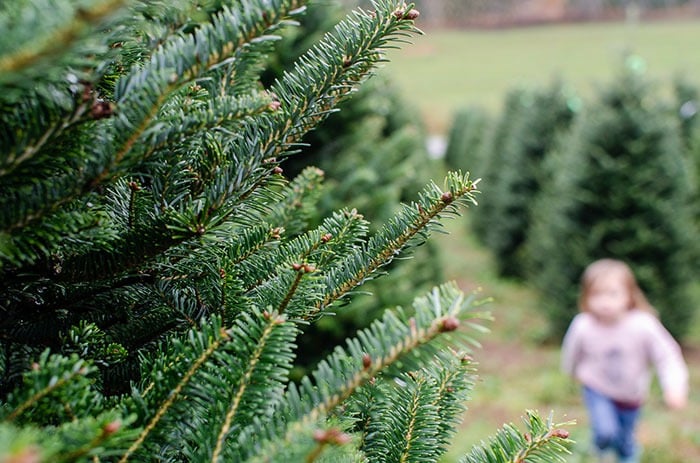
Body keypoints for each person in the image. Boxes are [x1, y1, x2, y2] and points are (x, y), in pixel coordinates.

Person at [561, 258, 689, 463]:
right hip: (597, 388)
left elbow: (668, 356)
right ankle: (600, 450)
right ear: (586, 296)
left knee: (625, 442)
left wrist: (674, 387)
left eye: (612, 293)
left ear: (630, 295)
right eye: (596, 294)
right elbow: (572, 351)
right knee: (605, 431)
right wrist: (572, 372)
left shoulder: (643, 325)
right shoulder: (583, 325)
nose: (604, 302)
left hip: (631, 396)